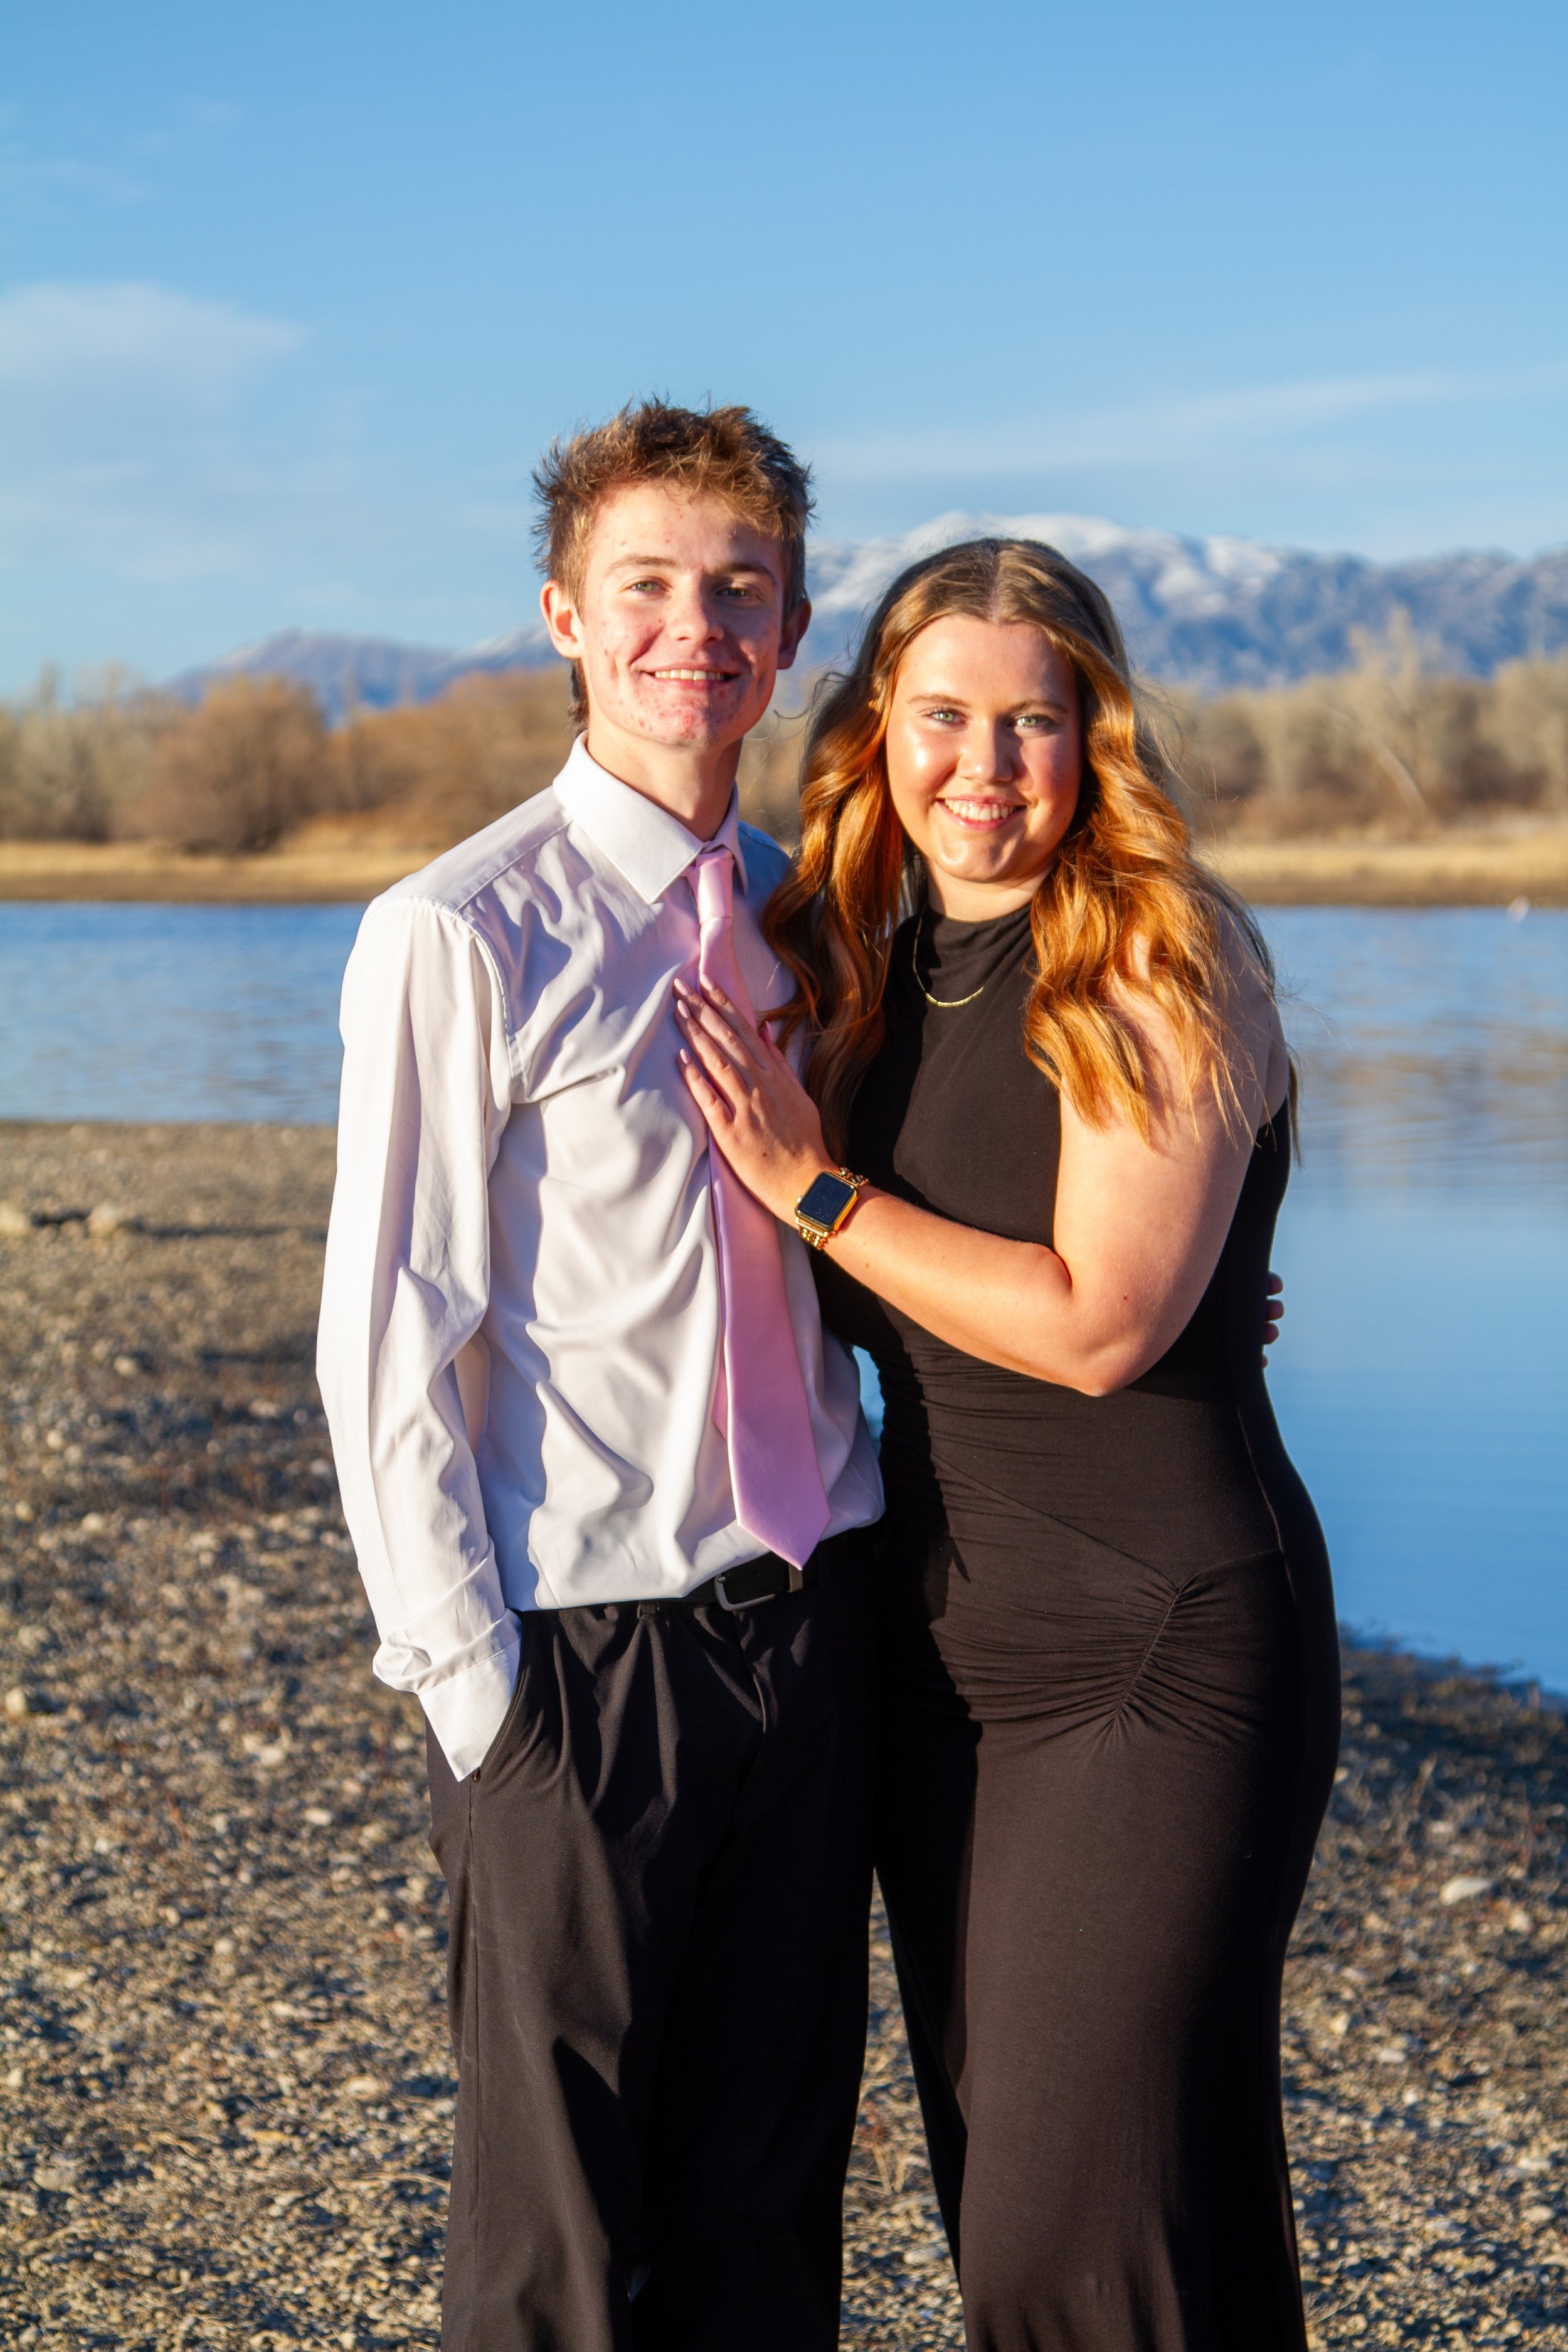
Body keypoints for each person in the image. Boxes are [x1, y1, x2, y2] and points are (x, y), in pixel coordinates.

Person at [674, 536, 1341, 2352]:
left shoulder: (1149, 956)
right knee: (1065, 2204)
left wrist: (808, 1186)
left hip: (1157, 1646)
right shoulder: (869, 968)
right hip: (945, 1654)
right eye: (944, 717)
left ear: (1092, 738)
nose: (984, 766)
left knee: (1079, 2230)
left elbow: (1102, 1325)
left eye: (1031, 723)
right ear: (877, 728)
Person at [315, 400, 884, 2352]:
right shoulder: (458, 931)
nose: (691, 626)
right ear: (564, 614)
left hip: (809, 1629)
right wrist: (480, 1707)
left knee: (767, 2202)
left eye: (737, 588)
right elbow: (385, 1333)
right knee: (558, 2240)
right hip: (583, 1656)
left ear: (792, 626)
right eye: (645, 584)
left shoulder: (817, 917)